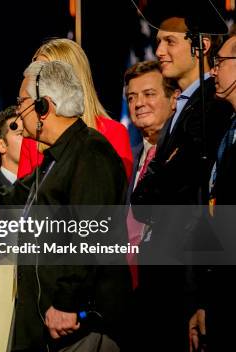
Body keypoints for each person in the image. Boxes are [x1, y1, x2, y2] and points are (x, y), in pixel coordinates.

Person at [0, 60, 130, 351]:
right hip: (53, 330)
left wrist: (67, 303)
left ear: (43, 107)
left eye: (22, 102)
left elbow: (91, 235)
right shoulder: (56, 159)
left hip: (78, 327)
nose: (18, 111)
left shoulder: (90, 152)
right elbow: (13, 196)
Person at [130, 16, 233, 351]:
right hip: (166, 277)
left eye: (169, 42)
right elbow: (146, 197)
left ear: (200, 45)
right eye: (158, 42)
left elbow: (185, 191)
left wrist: (200, 296)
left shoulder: (212, 106)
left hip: (188, 280)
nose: (159, 51)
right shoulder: (184, 108)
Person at [16, 38, 133, 180]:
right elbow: (21, 196)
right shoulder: (33, 137)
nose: (36, 82)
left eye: (44, 72)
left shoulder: (113, 133)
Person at [188, 34, 236, 352]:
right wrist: (205, 300)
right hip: (221, 296)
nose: (212, 71)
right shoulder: (225, 131)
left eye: (219, 62)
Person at [123, 60, 179, 288]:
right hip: (125, 292)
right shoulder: (126, 161)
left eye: (149, 94)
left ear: (173, 99)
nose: (138, 104)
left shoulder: (186, 155)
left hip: (170, 288)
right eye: (132, 97)